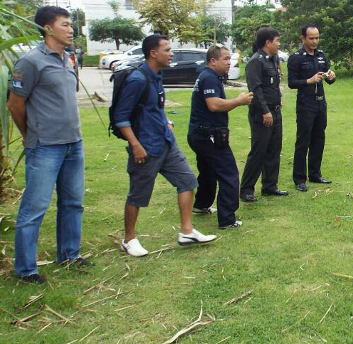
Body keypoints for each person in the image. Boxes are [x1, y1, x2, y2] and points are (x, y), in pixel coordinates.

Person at [7, 6, 89, 284]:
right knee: (34, 208)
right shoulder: (30, 62)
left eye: (71, 25)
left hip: (73, 143)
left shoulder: (69, 59)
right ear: (47, 28)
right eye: (65, 24)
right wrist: (31, 133)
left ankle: (69, 254)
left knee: (73, 203)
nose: (71, 29)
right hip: (45, 146)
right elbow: (15, 103)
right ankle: (26, 269)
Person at [114, 34, 216, 257]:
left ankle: (186, 231)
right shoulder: (137, 80)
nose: (172, 54)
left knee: (187, 181)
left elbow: (154, 107)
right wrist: (135, 144)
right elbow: (121, 118)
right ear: (153, 53)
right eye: (168, 50)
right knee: (138, 195)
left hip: (166, 143)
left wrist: (165, 121)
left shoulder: (157, 76)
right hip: (145, 147)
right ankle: (129, 239)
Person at [188, 44, 253, 229]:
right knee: (229, 173)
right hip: (208, 135)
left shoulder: (209, 76)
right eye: (225, 59)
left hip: (199, 134)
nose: (229, 62)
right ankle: (227, 219)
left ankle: (201, 205)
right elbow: (214, 105)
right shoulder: (209, 78)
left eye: (230, 59)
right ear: (213, 60)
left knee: (208, 172)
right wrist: (239, 101)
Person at [239, 27, 287, 202]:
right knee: (259, 150)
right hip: (262, 114)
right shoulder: (256, 62)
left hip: (275, 111)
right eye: (277, 40)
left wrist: (278, 99)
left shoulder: (272, 60)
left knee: (274, 149)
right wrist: (265, 111)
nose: (279, 44)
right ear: (268, 42)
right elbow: (256, 89)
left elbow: (273, 85)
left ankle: (269, 186)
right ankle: (246, 189)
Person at [287, 25, 337, 192]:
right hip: (305, 104)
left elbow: (328, 79)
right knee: (303, 141)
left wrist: (331, 77)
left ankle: (315, 174)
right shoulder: (296, 58)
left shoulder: (321, 56)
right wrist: (308, 81)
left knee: (319, 139)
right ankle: (299, 179)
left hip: (320, 103)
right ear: (303, 38)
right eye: (311, 38)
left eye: (317, 38)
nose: (315, 41)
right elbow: (291, 82)